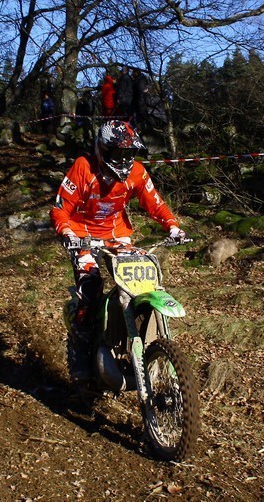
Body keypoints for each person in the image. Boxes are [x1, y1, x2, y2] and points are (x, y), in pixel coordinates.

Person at [50, 120, 187, 382]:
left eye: (129, 153)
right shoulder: (83, 167)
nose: (124, 160)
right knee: (90, 287)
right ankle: (80, 351)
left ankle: (132, 336)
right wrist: (67, 233)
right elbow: (60, 209)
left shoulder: (136, 172)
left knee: (140, 283)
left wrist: (172, 226)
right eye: (118, 153)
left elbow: (154, 203)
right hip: (82, 235)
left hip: (117, 235)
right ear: (103, 149)